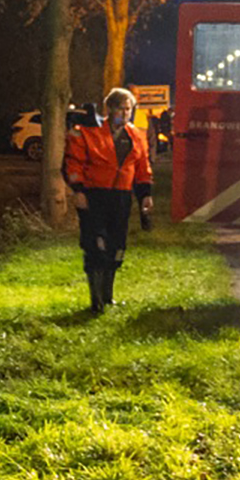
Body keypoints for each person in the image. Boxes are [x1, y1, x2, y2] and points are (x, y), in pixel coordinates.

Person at [64, 87, 154, 314]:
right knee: (96, 244)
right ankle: (95, 300)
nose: (125, 113)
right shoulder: (88, 132)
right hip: (95, 195)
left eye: (128, 109)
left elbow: (142, 168)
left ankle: (108, 297)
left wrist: (145, 194)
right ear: (109, 109)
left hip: (121, 197)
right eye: (121, 109)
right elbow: (73, 163)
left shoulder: (136, 136)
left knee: (116, 246)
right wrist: (79, 190)